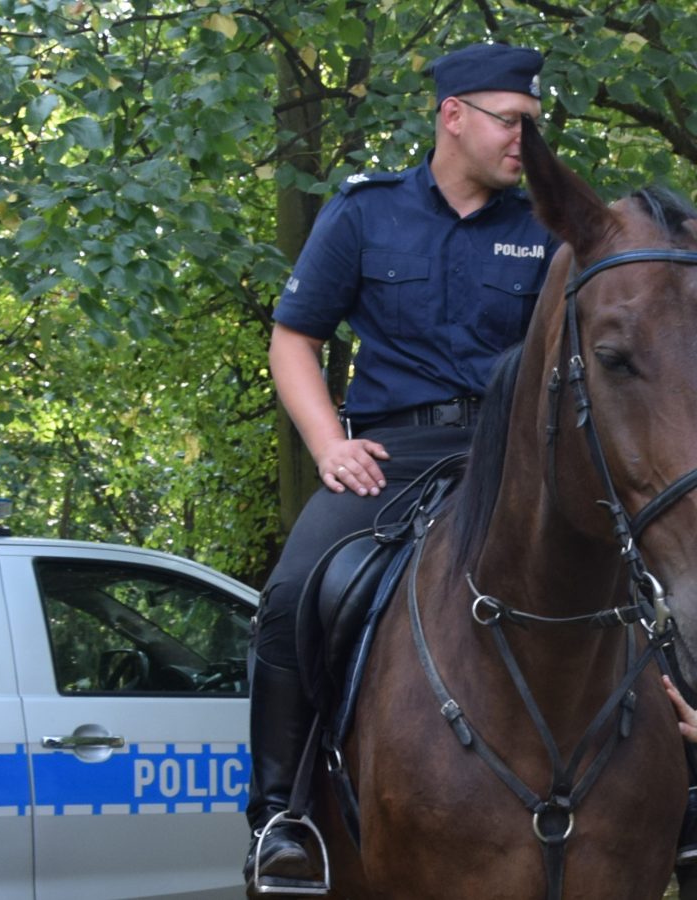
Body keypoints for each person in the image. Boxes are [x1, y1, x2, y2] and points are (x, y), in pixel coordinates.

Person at [244, 42, 560, 896]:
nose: (525, 143)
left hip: (513, 460)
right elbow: (295, 337)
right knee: (289, 595)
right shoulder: (363, 214)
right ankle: (281, 818)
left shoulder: (544, 228)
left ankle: (680, 808)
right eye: (513, 122)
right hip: (391, 456)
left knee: (642, 580)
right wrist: (327, 446)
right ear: (453, 114)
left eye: (534, 125)